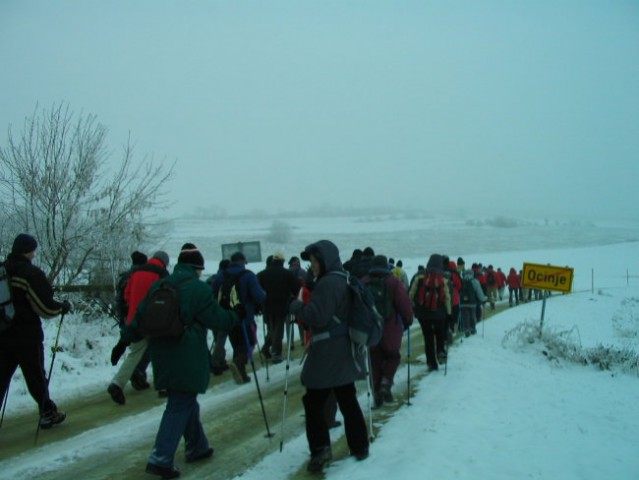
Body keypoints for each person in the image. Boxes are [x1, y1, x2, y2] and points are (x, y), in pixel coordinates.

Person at [123, 243, 239, 479]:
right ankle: (160, 458)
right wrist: (236, 316)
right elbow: (217, 319)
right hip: (186, 354)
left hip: (161, 353)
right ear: (197, 268)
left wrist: (124, 339)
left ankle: (197, 446)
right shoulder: (197, 289)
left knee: (185, 399)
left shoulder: (160, 284)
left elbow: (141, 316)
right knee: (179, 403)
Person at [289, 240, 369, 473]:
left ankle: (321, 449)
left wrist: (295, 307)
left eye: (315, 261)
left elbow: (317, 317)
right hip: (345, 350)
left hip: (326, 352)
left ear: (326, 260)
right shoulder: (343, 279)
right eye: (311, 262)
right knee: (347, 397)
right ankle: (360, 445)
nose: (312, 266)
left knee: (313, 402)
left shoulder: (326, 283)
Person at [0, 233, 71, 429]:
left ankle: (48, 411)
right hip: (26, 335)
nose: (34, 254)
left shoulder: (2, 271)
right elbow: (45, 307)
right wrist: (61, 307)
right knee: (35, 376)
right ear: (28, 250)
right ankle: (48, 413)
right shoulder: (30, 273)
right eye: (33, 250)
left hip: (3, 333)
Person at [108, 251, 169, 405]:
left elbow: (127, 296)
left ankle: (117, 384)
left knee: (134, 353)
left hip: (134, 321)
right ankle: (163, 387)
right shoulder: (162, 274)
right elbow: (166, 297)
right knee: (160, 352)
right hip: (154, 321)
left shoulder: (136, 272)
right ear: (164, 262)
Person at [365, 255, 413, 407]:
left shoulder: (364, 282)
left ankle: (377, 395)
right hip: (390, 328)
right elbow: (403, 303)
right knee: (393, 356)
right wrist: (408, 320)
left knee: (374, 362)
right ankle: (386, 383)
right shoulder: (393, 282)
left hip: (371, 329)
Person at [210, 251, 265, 384]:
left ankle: (239, 371)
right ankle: (239, 365)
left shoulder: (221, 275)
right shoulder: (248, 275)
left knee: (236, 344)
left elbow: (213, 293)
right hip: (245, 317)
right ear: (242, 261)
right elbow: (259, 297)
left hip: (227, 316)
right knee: (249, 343)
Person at [114, 250, 152, 391]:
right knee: (146, 347)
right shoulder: (142, 277)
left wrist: (122, 318)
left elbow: (119, 299)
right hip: (140, 319)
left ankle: (135, 374)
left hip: (126, 318)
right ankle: (138, 373)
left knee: (135, 348)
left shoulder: (124, 277)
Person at [409, 254, 451, 371]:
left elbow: (411, 294)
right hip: (439, 314)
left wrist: (411, 308)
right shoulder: (444, 277)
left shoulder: (419, 276)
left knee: (428, 338)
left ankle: (431, 363)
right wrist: (448, 313)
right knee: (440, 335)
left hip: (423, 314)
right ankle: (440, 351)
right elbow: (447, 297)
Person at [257, 252, 299, 363]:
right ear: (282, 261)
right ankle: (276, 353)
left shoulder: (262, 274)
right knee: (278, 330)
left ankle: (267, 347)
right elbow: (296, 289)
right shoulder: (287, 274)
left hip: (266, 306)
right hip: (282, 305)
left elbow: (257, 290)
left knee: (272, 328)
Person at [207, 259, 231, 375]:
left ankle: (220, 360)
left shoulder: (212, 278)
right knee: (221, 337)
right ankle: (216, 362)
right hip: (221, 311)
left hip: (210, 312)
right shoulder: (226, 278)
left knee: (217, 337)